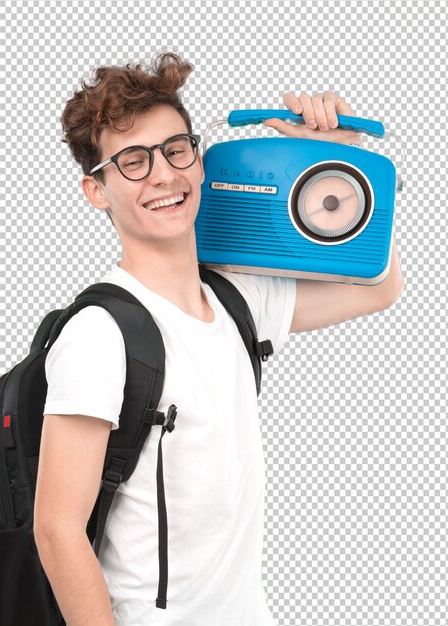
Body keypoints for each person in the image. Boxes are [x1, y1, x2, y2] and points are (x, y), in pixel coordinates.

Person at [33, 52, 404, 626]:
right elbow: (57, 531)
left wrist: (339, 160)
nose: (163, 175)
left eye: (175, 150)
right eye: (132, 161)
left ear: (199, 161)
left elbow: (378, 287)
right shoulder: (99, 334)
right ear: (97, 190)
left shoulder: (237, 302)